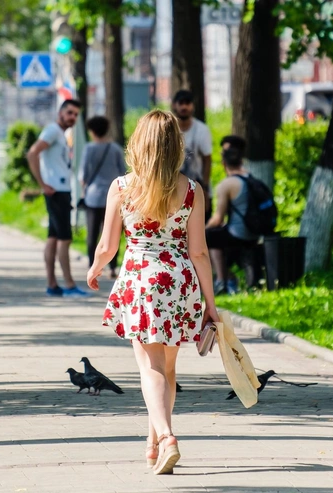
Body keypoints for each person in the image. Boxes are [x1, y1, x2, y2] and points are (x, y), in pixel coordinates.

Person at [86, 109, 219, 475]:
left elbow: (107, 246)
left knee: (150, 368)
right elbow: (199, 252)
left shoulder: (122, 187)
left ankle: (167, 436)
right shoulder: (191, 190)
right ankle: (152, 446)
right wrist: (211, 304)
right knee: (168, 369)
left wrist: (95, 269)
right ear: (176, 146)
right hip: (179, 282)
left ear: (138, 145)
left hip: (141, 281)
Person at [27, 99, 88, 297]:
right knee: (65, 239)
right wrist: (42, 184)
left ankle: (52, 285)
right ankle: (69, 285)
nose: (73, 117)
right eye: (69, 113)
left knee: (53, 239)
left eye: (76, 114)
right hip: (56, 191)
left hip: (60, 190)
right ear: (60, 112)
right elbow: (33, 153)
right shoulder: (52, 131)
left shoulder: (60, 134)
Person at [205, 136, 259, 295]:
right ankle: (226, 279)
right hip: (254, 232)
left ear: (223, 162)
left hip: (239, 234)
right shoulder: (250, 177)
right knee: (216, 235)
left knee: (207, 237)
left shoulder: (226, 185)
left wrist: (200, 230)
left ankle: (223, 281)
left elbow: (217, 219)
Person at [79, 116, 126, 279]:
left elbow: (83, 175)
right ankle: (112, 267)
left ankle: (93, 266)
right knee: (114, 232)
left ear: (92, 131)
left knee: (92, 232)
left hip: (93, 196)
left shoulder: (89, 149)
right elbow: (123, 172)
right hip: (114, 196)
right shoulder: (115, 149)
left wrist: (82, 190)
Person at [171, 90, 213, 221]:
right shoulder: (170, 129)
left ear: (193, 106)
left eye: (187, 103)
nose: (184, 107)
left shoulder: (201, 129)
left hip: (197, 185)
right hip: (174, 189)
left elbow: (207, 159)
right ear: (174, 105)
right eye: (181, 103)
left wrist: (205, 188)